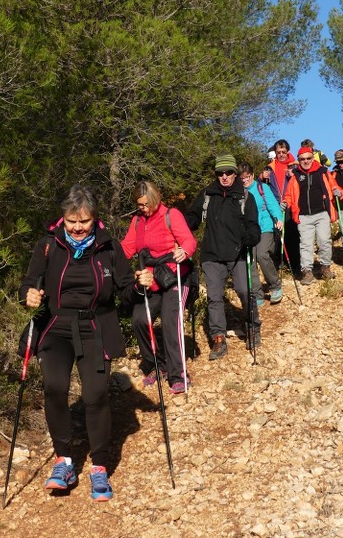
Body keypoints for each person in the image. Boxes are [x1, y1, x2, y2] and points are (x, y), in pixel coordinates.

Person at [19, 184, 153, 500]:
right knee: (54, 388)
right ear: (62, 220)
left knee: (95, 397)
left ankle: (100, 467)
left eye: (84, 222)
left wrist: (140, 286)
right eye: (72, 222)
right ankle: (64, 460)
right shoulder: (48, 245)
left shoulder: (109, 248)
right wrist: (29, 296)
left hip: (96, 326)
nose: (78, 228)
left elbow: (124, 291)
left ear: (95, 219)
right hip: (55, 326)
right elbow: (28, 283)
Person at [121, 181, 197, 394]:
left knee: (170, 322)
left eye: (146, 204)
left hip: (175, 278)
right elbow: (128, 246)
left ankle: (178, 374)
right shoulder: (137, 221)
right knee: (139, 319)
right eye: (139, 205)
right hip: (152, 281)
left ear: (155, 199)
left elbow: (189, 241)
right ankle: (157, 364)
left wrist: (185, 251)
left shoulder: (170, 215)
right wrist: (109, 255)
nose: (143, 208)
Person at [185, 153, 261, 360]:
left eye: (229, 172)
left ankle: (253, 327)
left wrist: (251, 236)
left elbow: (254, 225)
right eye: (220, 173)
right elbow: (192, 217)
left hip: (238, 254)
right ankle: (218, 338)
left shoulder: (246, 197)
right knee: (214, 298)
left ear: (235, 174)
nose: (224, 176)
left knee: (245, 292)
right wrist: (180, 229)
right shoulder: (207, 194)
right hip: (212, 254)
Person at [282, 146, 343, 285]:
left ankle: (325, 267)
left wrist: (338, 192)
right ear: (299, 160)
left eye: (309, 158)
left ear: (313, 158)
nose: (306, 161)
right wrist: (285, 202)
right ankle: (307, 272)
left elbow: (335, 187)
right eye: (302, 159)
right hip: (303, 216)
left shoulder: (323, 172)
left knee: (324, 241)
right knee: (305, 245)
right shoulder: (296, 175)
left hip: (322, 213)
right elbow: (289, 195)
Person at [239, 162, 284, 304]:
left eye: (247, 177)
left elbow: (273, 206)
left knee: (262, 254)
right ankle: (257, 294)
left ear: (252, 175)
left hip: (265, 228)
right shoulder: (239, 193)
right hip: (249, 231)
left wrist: (279, 219)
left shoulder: (261, 188)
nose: (245, 180)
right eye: (242, 178)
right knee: (249, 260)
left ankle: (275, 286)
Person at [265, 139, 301, 276]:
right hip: (276, 205)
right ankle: (281, 264)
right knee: (278, 236)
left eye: (283, 152)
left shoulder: (295, 166)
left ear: (288, 152)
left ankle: (295, 265)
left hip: (292, 204)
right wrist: (262, 177)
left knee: (292, 235)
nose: (281, 155)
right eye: (278, 152)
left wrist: (295, 174)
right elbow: (261, 183)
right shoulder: (270, 167)